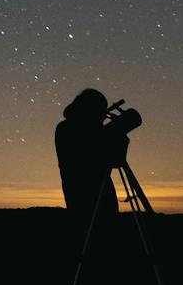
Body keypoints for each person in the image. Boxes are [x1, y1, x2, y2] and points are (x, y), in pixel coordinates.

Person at [55, 88, 142, 223]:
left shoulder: (81, 130)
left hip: (102, 196)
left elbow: (115, 161)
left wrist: (119, 138)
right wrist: (116, 133)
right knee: (88, 237)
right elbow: (92, 155)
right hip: (82, 198)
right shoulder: (66, 129)